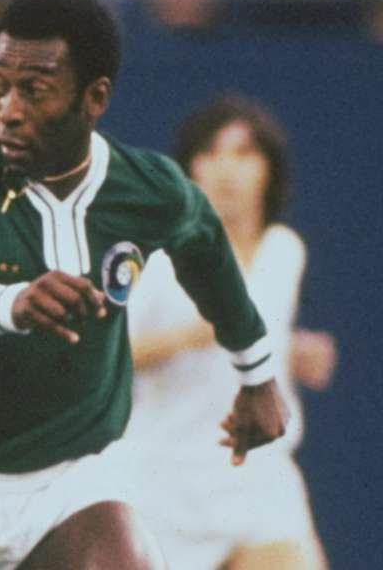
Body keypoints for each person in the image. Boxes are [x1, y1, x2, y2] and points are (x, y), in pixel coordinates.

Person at [0, 0, 289, 569]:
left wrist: (256, 373)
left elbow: (204, 244)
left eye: (34, 90)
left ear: (94, 97)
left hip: (71, 483)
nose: (9, 109)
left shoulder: (145, 188)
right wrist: (6, 306)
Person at [122, 93, 337, 570]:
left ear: (268, 170)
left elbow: (258, 337)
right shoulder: (158, 260)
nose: (226, 169)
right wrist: (184, 337)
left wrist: (289, 350)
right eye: (211, 153)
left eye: (243, 153)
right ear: (190, 169)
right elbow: (105, 355)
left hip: (260, 477)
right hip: (164, 486)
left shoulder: (285, 251)